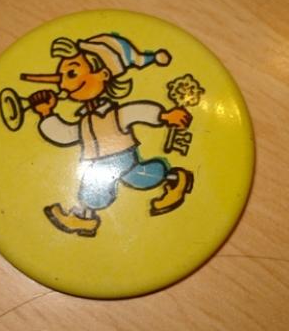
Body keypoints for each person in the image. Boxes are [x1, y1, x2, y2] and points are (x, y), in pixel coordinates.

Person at [25, 34, 193, 237]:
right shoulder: (84, 121)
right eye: (62, 76)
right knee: (137, 177)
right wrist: (46, 114)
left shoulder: (114, 113)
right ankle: (174, 178)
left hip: (120, 156)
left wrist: (164, 116)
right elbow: (65, 134)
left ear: (104, 74)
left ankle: (84, 217)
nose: (62, 84)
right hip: (97, 161)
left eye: (72, 73)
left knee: (96, 188)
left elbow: (136, 111)